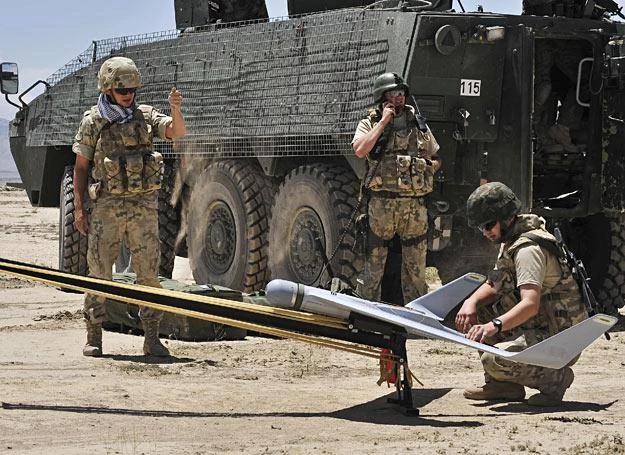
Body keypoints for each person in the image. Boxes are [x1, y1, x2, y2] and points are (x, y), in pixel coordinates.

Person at [73, 56, 187, 357]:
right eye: (123, 91)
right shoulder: (93, 121)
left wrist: (176, 108)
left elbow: (177, 132)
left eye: (133, 90)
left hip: (143, 209)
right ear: (108, 88)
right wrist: (81, 209)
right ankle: (94, 336)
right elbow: (81, 168)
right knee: (100, 273)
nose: (129, 96)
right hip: (107, 208)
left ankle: (151, 337)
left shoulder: (145, 116)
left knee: (149, 274)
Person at [456, 181, 588, 406]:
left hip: (559, 339)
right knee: (482, 311)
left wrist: (494, 326)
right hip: (540, 325)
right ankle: (503, 386)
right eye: (481, 228)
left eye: (488, 225)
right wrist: (471, 302)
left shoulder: (528, 250)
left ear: (507, 218)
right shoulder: (511, 240)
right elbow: (497, 282)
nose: (486, 232)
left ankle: (556, 378)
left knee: (493, 358)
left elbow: (530, 304)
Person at [352, 72, 441, 304]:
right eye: (393, 93)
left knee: (415, 265)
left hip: (414, 207)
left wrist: (427, 165)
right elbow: (360, 150)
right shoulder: (369, 123)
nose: (399, 98)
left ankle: (416, 313)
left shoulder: (417, 122)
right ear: (382, 96)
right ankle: (366, 310)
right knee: (374, 262)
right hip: (382, 206)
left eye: (401, 93)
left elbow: (436, 156)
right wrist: (383, 122)